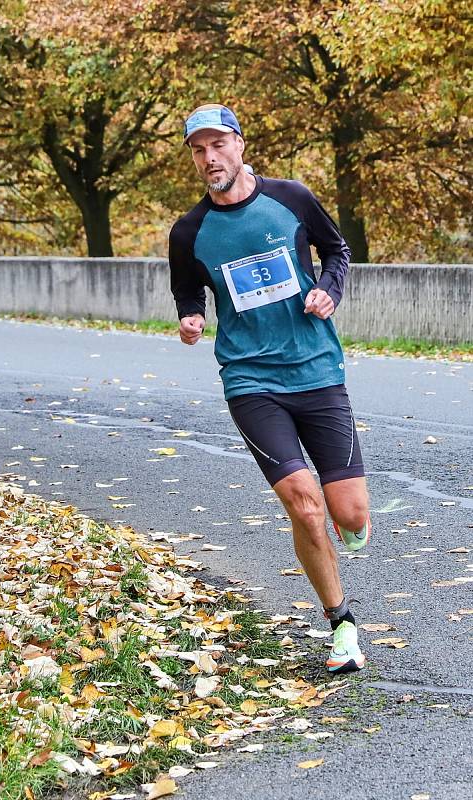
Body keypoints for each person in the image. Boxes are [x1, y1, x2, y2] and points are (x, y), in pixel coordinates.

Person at [169, 103, 371, 674]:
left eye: (217, 146)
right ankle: (341, 625)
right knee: (305, 508)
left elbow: (338, 250)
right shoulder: (188, 231)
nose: (209, 159)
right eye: (198, 150)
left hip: (318, 371)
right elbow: (188, 290)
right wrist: (190, 317)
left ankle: (345, 526)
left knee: (350, 516)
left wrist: (330, 289)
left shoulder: (292, 198)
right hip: (250, 379)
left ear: (238, 144)